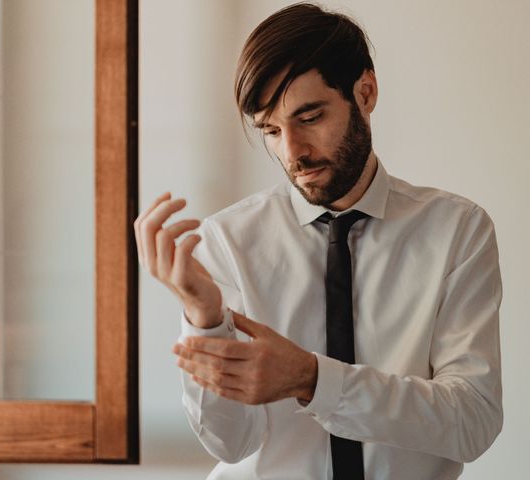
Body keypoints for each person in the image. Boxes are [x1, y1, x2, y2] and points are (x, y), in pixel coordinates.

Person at [134, 3, 502, 479]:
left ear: (365, 93)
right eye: (270, 129)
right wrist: (205, 320)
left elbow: (472, 421)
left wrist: (312, 379)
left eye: (309, 117)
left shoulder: (457, 231)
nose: (292, 152)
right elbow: (230, 443)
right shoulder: (228, 242)